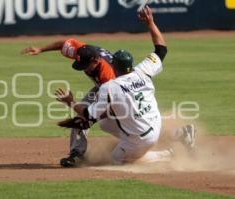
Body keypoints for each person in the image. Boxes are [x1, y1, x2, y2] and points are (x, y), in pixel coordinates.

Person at [55, 6, 196, 166]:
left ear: (113, 66)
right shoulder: (143, 70)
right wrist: (150, 22)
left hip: (142, 135)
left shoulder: (109, 86)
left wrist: (70, 101)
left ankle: (170, 153)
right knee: (106, 123)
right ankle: (179, 133)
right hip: (152, 122)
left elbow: (88, 114)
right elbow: (161, 49)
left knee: (116, 160)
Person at [22, 36, 116, 167]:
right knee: (81, 113)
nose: (84, 69)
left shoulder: (107, 76)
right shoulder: (83, 52)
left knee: (109, 119)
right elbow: (63, 44)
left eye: (85, 66)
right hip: (101, 87)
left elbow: (111, 105)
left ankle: (132, 144)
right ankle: (77, 154)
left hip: (120, 93)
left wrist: (90, 117)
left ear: (95, 61)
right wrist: (41, 49)